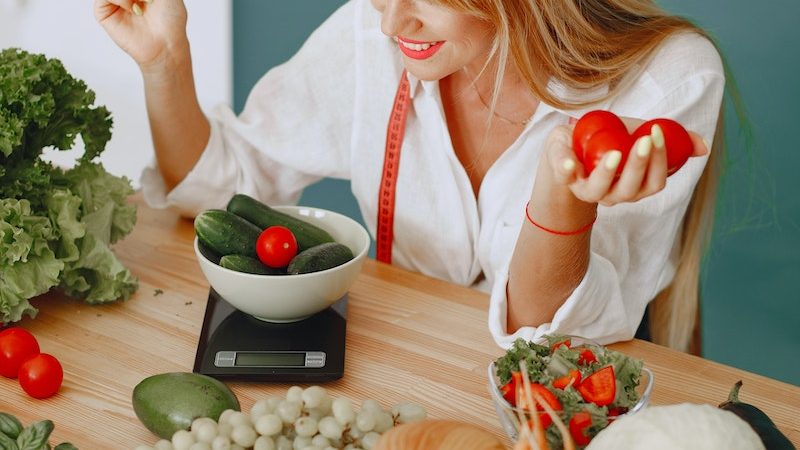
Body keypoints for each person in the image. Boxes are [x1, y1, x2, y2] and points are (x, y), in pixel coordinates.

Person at [95, 0, 725, 353]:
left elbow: (549, 339)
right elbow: (220, 186)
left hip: (563, 397)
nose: (392, 23)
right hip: (409, 369)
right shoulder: (372, 39)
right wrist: (165, 62)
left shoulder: (666, 79)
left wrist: (563, 202)